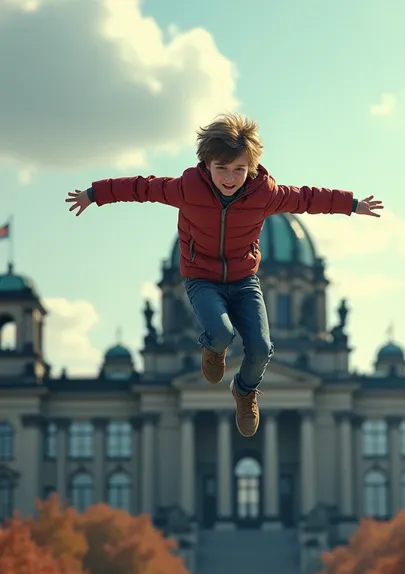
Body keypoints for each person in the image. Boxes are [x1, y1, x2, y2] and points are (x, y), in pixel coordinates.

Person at [65, 113, 383, 438]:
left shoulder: (266, 195)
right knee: (221, 332)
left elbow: (308, 198)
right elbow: (141, 188)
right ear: (207, 164)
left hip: (244, 281)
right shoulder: (187, 189)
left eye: (239, 170)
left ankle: (245, 391)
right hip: (202, 278)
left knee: (260, 348)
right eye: (222, 168)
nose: (230, 177)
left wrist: (352, 204)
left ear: (251, 168)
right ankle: (213, 349)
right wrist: (94, 194)